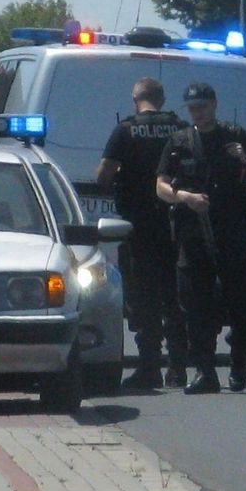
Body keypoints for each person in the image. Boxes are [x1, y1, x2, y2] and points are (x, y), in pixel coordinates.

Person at [156, 82, 246, 394]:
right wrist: (185, 198)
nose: (199, 112)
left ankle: (239, 363)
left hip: (231, 232)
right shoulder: (179, 140)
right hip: (193, 233)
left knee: (241, 301)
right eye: (193, 108)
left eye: (203, 106)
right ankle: (205, 372)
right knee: (195, 304)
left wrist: (245, 159)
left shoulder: (235, 136)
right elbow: (161, 185)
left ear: (215, 105)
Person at [95, 78, 190, 389]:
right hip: (176, 224)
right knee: (175, 296)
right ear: (161, 100)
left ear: (135, 99)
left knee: (145, 297)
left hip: (139, 227)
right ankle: (178, 368)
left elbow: (104, 176)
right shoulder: (179, 127)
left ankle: (149, 367)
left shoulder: (126, 130)